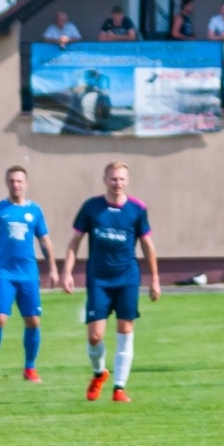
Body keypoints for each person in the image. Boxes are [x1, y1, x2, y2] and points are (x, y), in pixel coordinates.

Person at [62, 162, 159, 403]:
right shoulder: (92, 207)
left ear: (127, 180)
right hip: (99, 279)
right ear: (105, 179)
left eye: (122, 179)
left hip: (127, 278)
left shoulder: (137, 209)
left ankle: (119, 388)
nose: (118, 183)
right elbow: (74, 242)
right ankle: (99, 373)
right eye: (113, 179)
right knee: (95, 336)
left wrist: (155, 279)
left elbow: (148, 245)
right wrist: (67, 272)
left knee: (125, 330)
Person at [0, 167, 57, 383]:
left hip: (28, 274)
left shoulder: (35, 210)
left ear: (26, 183)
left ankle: (30, 368)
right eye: (11, 181)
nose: (15, 185)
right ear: (7, 183)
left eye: (19, 181)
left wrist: (53, 268)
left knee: (33, 321)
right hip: (4, 273)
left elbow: (45, 241)